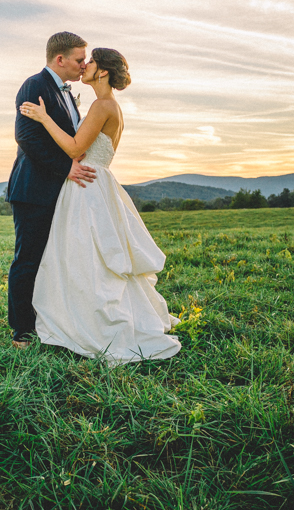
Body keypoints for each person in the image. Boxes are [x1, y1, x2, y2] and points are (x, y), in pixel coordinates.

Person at [19, 47, 181, 365]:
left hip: (85, 188)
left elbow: (75, 150)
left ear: (103, 71)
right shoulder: (108, 107)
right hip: (98, 183)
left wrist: (43, 118)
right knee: (90, 257)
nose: (85, 66)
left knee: (83, 258)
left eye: (90, 62)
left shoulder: (102, 105)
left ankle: (90, 324)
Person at [6, 32, 97, 348]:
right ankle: (22, 334)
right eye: (79, 59)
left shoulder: (67, 93)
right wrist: (67, 168)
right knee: (28, 260)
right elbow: (26, 137)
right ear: (60, 59)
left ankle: (49, 324)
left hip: (57, 191)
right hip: (33, 190)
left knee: (52, 260)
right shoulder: (35, 85)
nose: (83, 65)